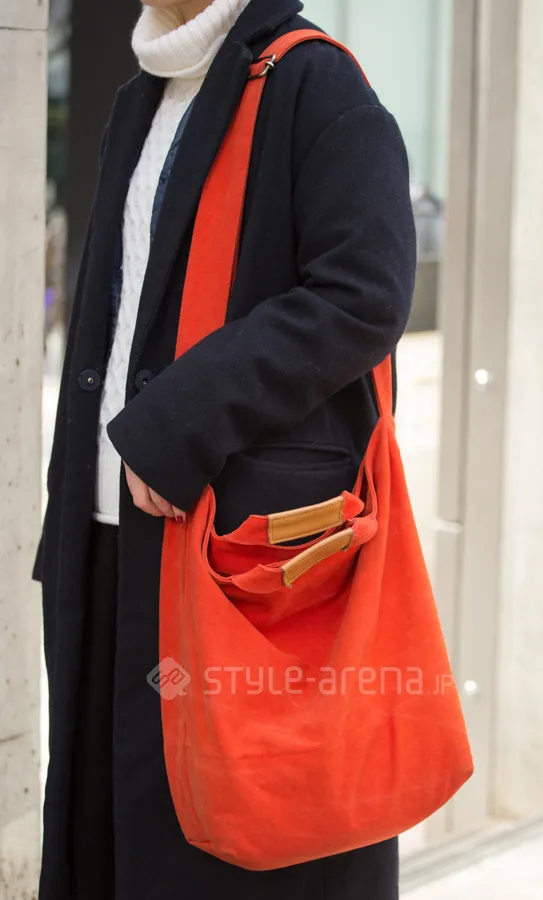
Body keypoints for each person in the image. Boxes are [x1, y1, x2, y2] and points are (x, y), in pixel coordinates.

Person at [34, 0, 416, 898]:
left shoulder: (314, 83)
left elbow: (364, 291)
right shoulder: (144, 95)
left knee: (234, 846)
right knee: (115, 832)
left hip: (232, 555)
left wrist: (177, 423)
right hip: (110, 541)